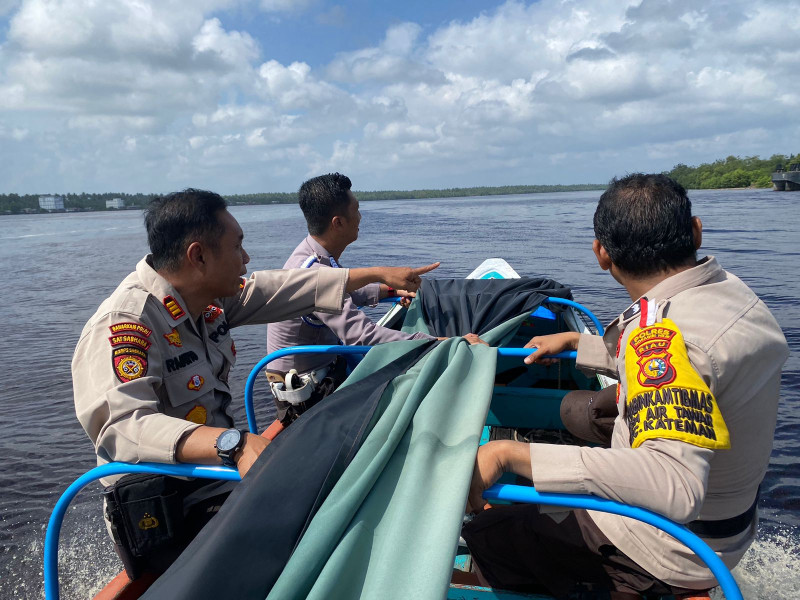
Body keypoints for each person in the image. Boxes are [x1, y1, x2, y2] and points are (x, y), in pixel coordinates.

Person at [71, 188, 438, 577]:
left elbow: (277, 287)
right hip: (165, 503)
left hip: (214, 476)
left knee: (336, 489)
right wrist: (235, 443)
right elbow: (123, 428)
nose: (246, 259)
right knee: (313, 523)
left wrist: (377, 274)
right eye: (237, 247)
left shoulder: (203, 298)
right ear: (198, 256)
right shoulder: (126, 324)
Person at [462, 174, 788, 599]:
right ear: (696, 231)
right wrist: (579, 342)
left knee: (490, 533)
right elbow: (688, 358)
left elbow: (675, 485)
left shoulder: (666, 335)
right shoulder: (732, 293)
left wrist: (509, 453)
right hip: (729, 522)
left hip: (671, 548)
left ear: (601, 254)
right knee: (584, 409)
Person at [265, 173, 438, 426]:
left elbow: (344, 293)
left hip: (324, 371)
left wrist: (392, 291)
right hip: (309, 395)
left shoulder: (313, 254)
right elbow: (362, 336)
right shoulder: (314, 271)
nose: (360, 217)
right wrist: (435, 342)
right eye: (356, 210)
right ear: (338, 223)